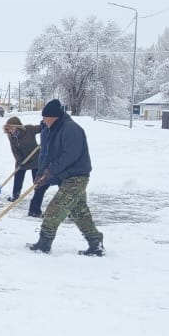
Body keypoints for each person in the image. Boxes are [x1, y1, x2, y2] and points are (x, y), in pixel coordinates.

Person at [28, 99, 104, 256]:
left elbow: (70, 155)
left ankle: (44, 244)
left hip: (77, 177)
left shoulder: (71, 129)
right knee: (80, 212)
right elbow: (45, 155)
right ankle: (95, 242)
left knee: (53, 211)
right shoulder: (49, 130)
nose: (43, 120)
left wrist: (50, 172)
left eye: (45, 117)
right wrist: (40, 174)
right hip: (66, 176)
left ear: (54, 117)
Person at [2, 115, 46, 217]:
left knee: (36, 179)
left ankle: (36, 198)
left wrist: (44, 122)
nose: (10, 131)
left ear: (17, 126)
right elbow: (14, 150)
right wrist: (20, 161)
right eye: (8, 129)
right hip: (22, 159)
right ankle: (15, 195)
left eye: (11, 128)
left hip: (35, 158)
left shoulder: (29, 129)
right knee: (18, 176)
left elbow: (40, 128)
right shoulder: (11, 136)